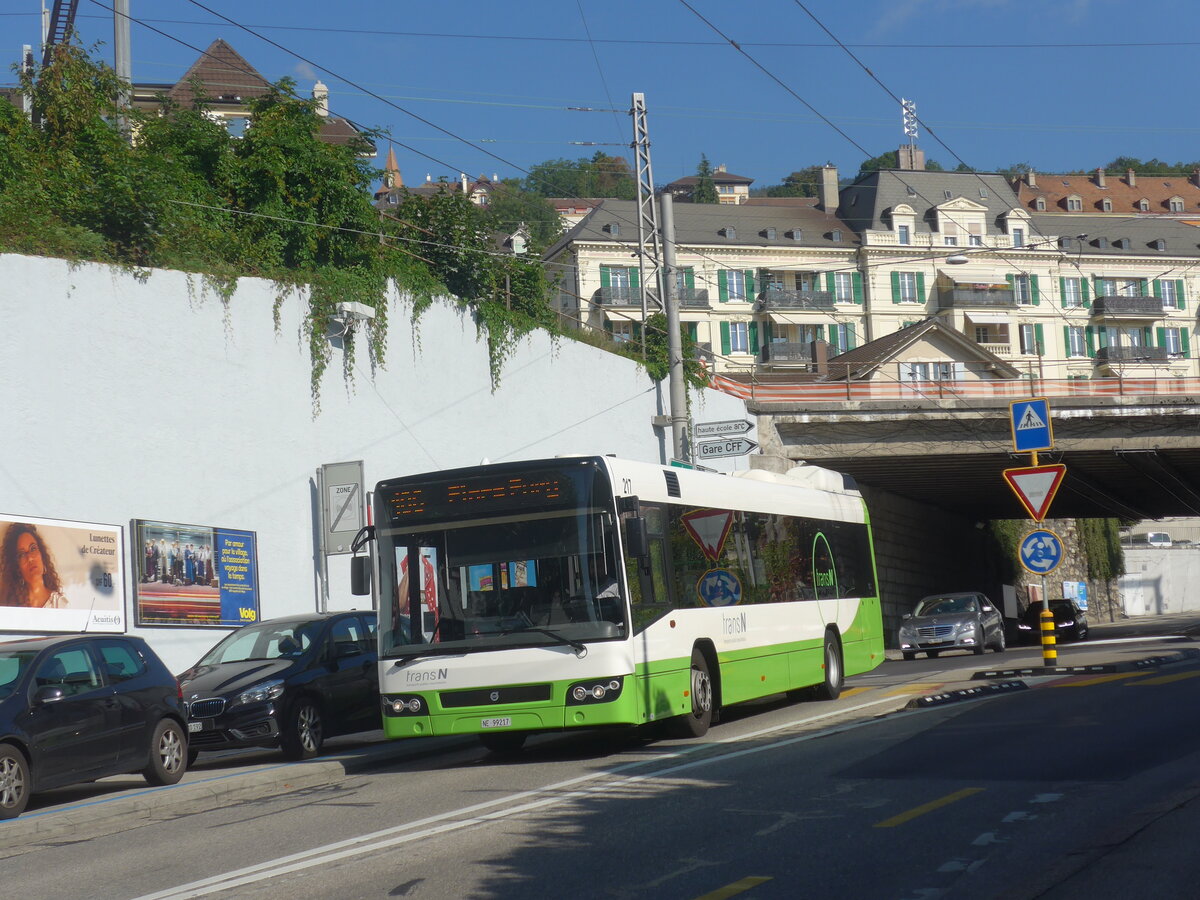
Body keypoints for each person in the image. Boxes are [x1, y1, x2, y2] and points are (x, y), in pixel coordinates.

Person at [0, 522, 68, 608]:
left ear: (42, 556)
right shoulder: (9, 606)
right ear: (17, 567)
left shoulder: (59, 604)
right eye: (22, 554)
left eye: (33, 548)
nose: (30, 558)